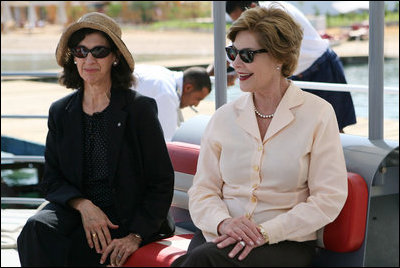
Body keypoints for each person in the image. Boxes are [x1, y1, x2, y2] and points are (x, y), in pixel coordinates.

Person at [172, 5, 348, 267]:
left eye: (247, 54)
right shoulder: (223, 118)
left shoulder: (318, 114)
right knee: (202, 258)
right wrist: (223, 223)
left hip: (284, 244)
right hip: (221, 236)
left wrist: (266, 232)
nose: (236, 63)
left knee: (201, 261)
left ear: (279, 57)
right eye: (232, 52)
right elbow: (203, 190)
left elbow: (328, 198)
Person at [17, 12, 175, 267]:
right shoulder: (61, 111)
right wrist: (83, 205)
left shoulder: (139, 109)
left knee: (91, 248)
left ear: (114, 58)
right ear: (74, 58)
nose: (89, 59)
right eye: (81, 51)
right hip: (80, 212)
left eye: (99, 51)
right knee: (37, 230)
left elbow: (161, 181)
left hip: (127, 217)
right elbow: (52, 179)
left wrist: (135, 236)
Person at [226, 1, 357, 133]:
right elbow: (249, 57)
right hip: (296, 74)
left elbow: (265, 56)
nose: (241, 23)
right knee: (297, 129)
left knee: (334, 126)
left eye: (241, 17)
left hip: (322, 66)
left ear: (253, 7)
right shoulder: (253, 34)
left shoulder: (275, 17)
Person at [133, 64, 212, 141]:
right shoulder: (167, 94)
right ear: (188, 88)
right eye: (198, 99)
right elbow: (167, 142)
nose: (196, 104)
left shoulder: (164, 74)